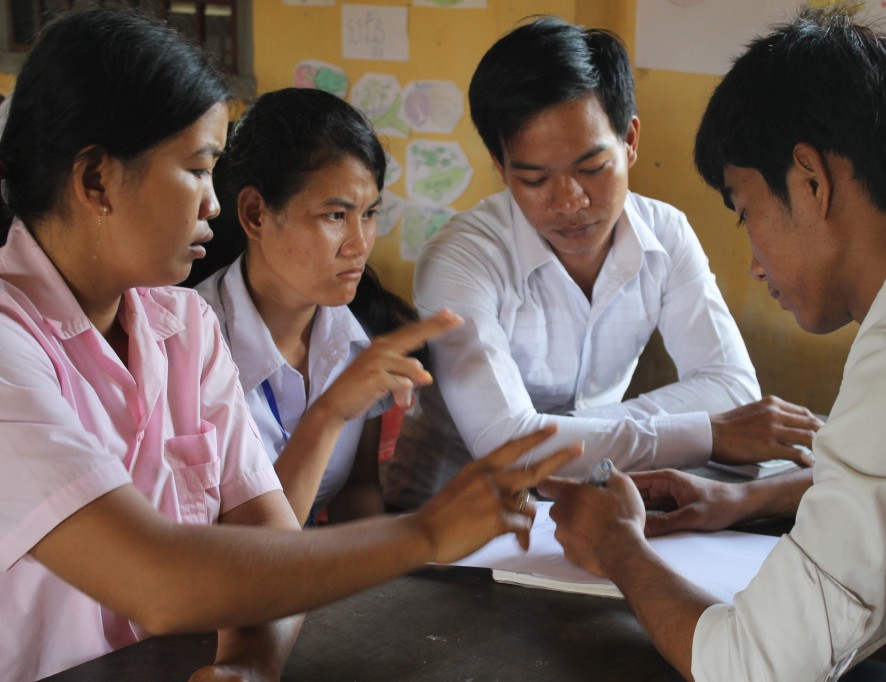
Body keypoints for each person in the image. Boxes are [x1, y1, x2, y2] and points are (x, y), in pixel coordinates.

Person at [0, 7, 579, 680]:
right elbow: (157, 580)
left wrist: (249, 662)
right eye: (194, 170)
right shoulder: (12, 345)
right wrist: (423, 533)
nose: (209, 204)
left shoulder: (183, 328)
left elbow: (269, 547)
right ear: (97, 180)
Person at [540, 5, 886, 681]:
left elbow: (752, 668)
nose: (756, 264)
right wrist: (744, 499)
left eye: (746, 212)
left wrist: (618, 546)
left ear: (811, 181)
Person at [385, 16, 821, 510]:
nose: (569, 201)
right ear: (500, 164)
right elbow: (509, 450)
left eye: (592, 169)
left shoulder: (666, 234)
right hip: (445, 520)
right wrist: (708, 433)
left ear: (630, 140)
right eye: (534, 180)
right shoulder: (462, 259)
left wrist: (584, 436)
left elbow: (731, 387)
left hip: (586, 505)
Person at [193, 88, 421, 524]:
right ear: (256, 214)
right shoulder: (188, 345)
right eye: (335, 216)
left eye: (369, 214)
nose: (359, 244)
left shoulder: (358, 339)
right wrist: (330, 410)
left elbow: (357, 495)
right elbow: (247, 552)